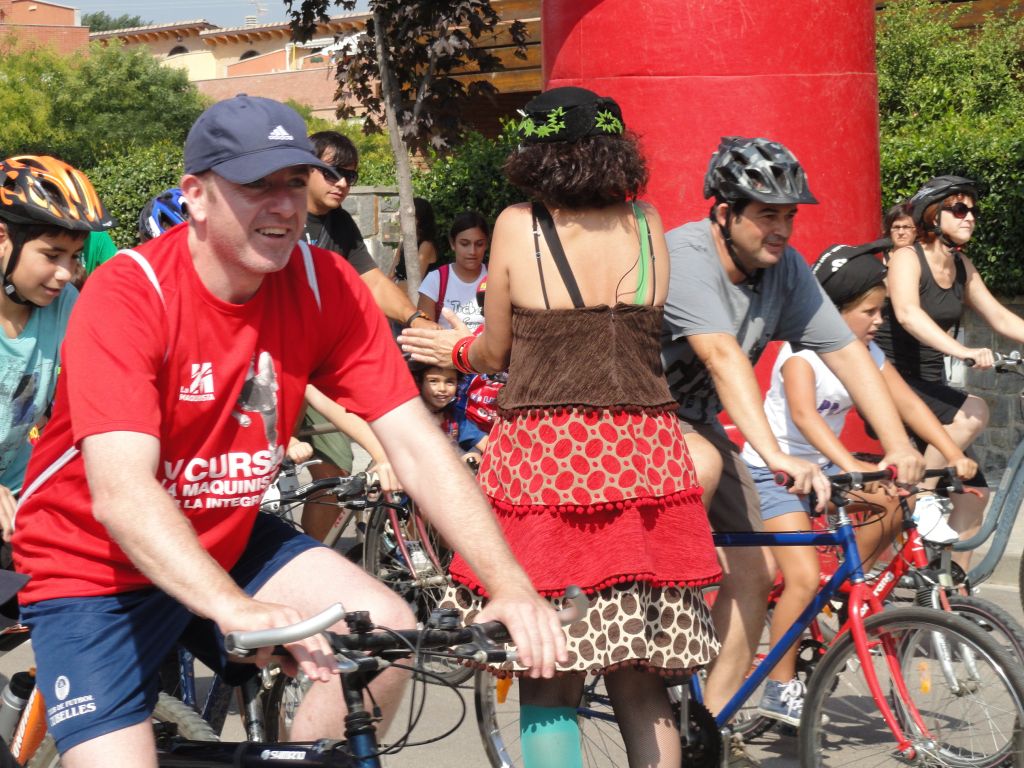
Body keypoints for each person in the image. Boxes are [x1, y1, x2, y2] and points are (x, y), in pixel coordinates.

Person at [10, 95, 565, 767]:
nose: (284, 205)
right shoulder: (130, 292)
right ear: (197, 196)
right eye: (255, 185)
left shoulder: (324, 281)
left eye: (294, 183)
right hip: (94, 566)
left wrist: (508, 584)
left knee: (389, 634)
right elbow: (124, 494)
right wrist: (234, 608)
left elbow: (416, 441)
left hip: (229, 532)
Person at [401, 86, 721, 768]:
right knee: (640, 681)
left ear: (540, 153)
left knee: (549, 677)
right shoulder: (647, 221)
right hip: (645, 459)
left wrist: (449, 350)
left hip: (550, 461)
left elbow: (496, 352)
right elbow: (641, 335)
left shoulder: (519, 224)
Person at [657, 136, 925, 754]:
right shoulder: (687, 255)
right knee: (693, 482)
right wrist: (776, 455)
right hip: (640, 418)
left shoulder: (788, 270)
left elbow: (849, 354)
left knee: (757, 569)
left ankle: (712, 724)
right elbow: (722, 355)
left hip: (695, 420)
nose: (782, 229)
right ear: (724, 212)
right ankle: (644, 622)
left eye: (789, 215)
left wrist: (897, 444)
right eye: (767, 214)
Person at [741, 239, 977, 726]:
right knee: (802, 578)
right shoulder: (799, 353)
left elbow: (906, 403)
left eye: (882, 310)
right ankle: (779, 689)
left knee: (895, 501)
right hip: (775, 470)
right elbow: (806, 418)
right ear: (833, 308)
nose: (879, 321)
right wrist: (852, 462)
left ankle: (851, 583)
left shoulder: (864, 351)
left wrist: (953, 451)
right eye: (870, 311)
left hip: (827, 468)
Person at [875, 176, 1024, 567]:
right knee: (973, 411)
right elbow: (908, 314)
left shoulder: (961, 265)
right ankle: (921, 497)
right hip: (892, 381)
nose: (970, 217)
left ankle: (950, 596)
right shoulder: (908, 257)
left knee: (972, 496)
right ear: (932, 215)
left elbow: (999, 317)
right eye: (959, 209)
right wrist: (963, 351)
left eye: (973, 210)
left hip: (931, 385)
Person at [302, 131, 439, 536]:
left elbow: (374, 283)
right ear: (305, 168)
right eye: (332, 172)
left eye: (350, 175)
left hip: (319, 364)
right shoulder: (280, 217)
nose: (342, 183)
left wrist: (417, 321)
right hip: (276, 362)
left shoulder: (339, 223)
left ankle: (311, 563)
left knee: (336, 466)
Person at [0, 155, 114, 540]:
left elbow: (105, 379)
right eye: (52, 255)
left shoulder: (63, 304)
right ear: (3, 238)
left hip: (19, 503)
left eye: (74, 256)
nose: (66, 273)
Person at [416, 211, 489, 331]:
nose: (472, 251)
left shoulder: (496, 277)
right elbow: (425, 331)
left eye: (479, 244)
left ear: (486, 244)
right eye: (464, 244)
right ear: (452, 243)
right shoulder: (435, 280)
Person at [392, 196, 439, 287]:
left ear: (420, 220)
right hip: (399, 294)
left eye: (406, 216)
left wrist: (393, 285)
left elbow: (415, 285)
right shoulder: (403, 243)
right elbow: (391, 274)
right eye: (401, 216)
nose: (401, 220)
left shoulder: (426, 246)